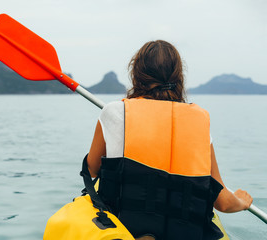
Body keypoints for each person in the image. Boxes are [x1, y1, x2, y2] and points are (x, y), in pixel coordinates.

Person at [86, 40, 253, 240]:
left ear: (136, 74)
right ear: (179, 76)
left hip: (128, 229)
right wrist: (242, 202)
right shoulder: (200, 119)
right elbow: (223, 203)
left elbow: (92, 169)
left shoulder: (114, 112)